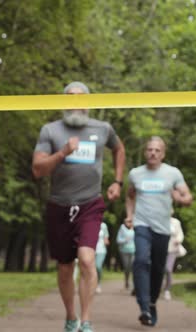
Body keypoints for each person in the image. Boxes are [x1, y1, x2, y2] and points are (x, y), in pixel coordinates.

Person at [32, 81, 125, 332]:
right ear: (63, 102)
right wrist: (62, 152)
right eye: (69, 97)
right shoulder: (50, 131)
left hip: (90, 204)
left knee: (86, 259)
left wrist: (117, 181)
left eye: (80, 97)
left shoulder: (102, 128)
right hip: (59, 205)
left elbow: (119, 148)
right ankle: (71, 317)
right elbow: (38, 170)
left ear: (88, 102)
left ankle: (86, 320)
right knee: (64, 267)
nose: (75, 102)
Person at [125, 136, 192, 327]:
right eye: (149, 149)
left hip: (162, 229)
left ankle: (152, 303)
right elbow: (130, 196)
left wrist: (181, 199)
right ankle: (144, 306)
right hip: (142, 224)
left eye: (157, 150)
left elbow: (188, 196)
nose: (152, 153)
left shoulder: (172, 173)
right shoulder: (136, 174)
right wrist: (130, 215)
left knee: (157, 269)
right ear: (145, 152)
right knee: (140, 260)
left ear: (163, 154)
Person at [163, 213, 187, 301]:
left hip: (172, 248)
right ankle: (155, 288)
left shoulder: (176, 222)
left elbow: (180, 234)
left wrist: (178, 240)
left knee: (168, 269)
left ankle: (167, 290)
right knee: (159, 269)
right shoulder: (159, 221)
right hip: (161, 248)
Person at [116, 218, 135, 292]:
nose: (130, 223)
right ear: (125, 222)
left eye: (131, 221)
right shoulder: (122, 228)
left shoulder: (135, 229)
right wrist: (125, 240)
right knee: (127, 267)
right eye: (128, 221)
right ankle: (126, 281)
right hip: (124, 251)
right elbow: (118, 240)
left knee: (134, 267)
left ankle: (135, 285)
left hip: (133, 250)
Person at [95, 221, 109, 294]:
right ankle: (90, 285)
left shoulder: (103, 225)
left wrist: (106, 241)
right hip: (90, 250)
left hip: (101, 250)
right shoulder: (89, 223)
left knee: (98, 266)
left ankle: (98, 284)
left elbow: (106, 237)